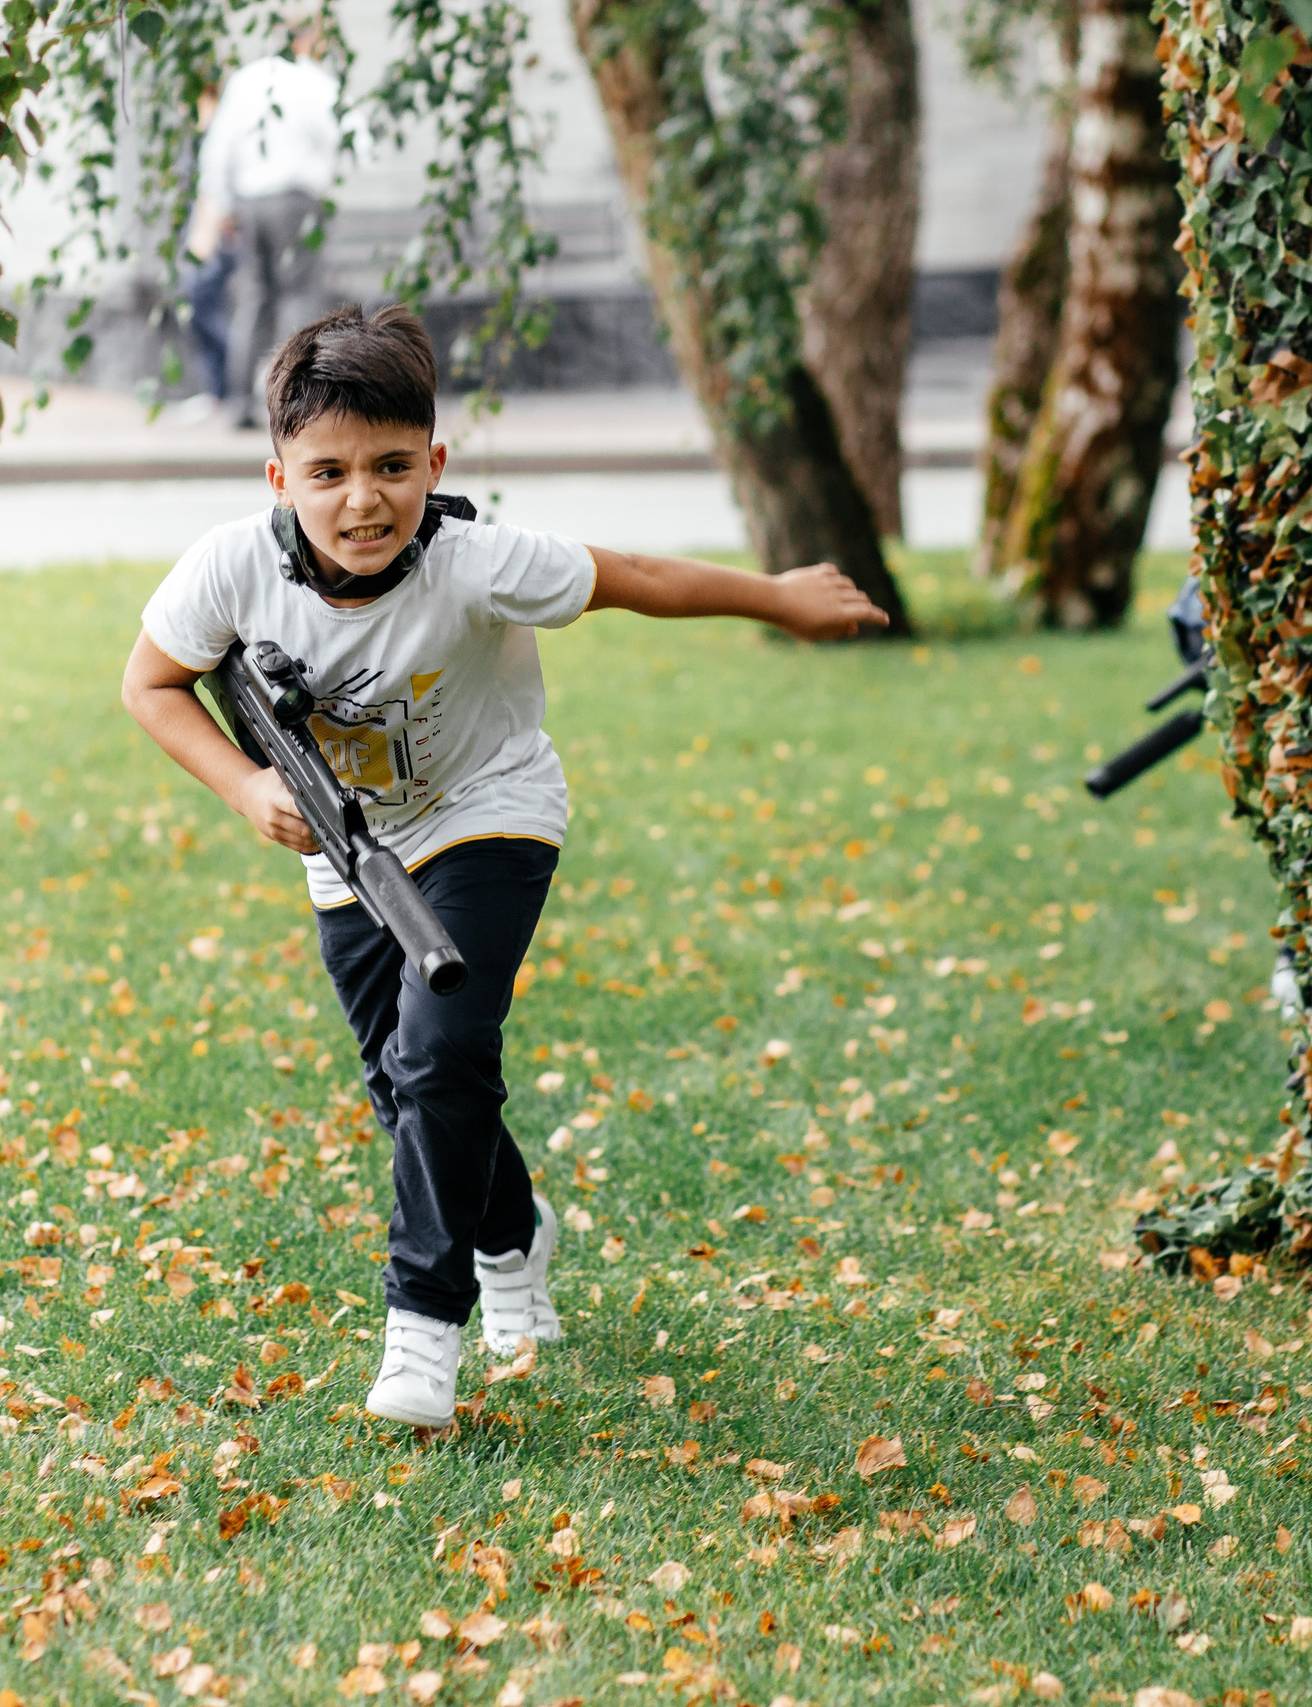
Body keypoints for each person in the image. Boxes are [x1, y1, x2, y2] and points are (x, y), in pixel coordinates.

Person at [121, 305, 889, 1428]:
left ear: (435, 464)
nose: (362, 499)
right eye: (327, 471)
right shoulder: (231, 569)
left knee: (443, 1050)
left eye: (391, 467)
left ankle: (423, 1331)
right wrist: (244, 785)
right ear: (277, 474)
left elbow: (631, 575)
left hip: (490, 811)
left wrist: (777, 596)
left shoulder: (475, 560)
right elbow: (150, 684)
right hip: (353, 851)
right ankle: (513, 1236)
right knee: (407, 1087)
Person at [180, 25, 344, 426]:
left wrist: (218, 203)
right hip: (296, 199)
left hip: (249, 201)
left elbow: (218, 147)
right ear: (309, 41)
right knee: (299, 298)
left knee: (253, 298)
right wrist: (329, 182)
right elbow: (347, 137)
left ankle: (239, 403)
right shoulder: (317, 82)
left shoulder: (246, 79)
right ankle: (297, 404)